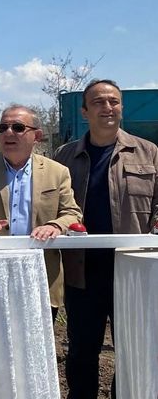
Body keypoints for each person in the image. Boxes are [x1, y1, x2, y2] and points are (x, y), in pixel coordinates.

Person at [54, 79, 158, 399]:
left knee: (131, 348)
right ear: (85, 111)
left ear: (121, 108)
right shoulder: (64, 156)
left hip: (132, 271)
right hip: (81, 271)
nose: (107, 107)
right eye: (98, 102)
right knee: (81, 350)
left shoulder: (148, 152)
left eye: (113, 101)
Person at [0, 104, 82, 320]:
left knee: (38, 339)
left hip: (40, 273)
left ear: (36, 136)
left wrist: (55, 226)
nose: (8, 133)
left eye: (18, 127)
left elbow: (72, 212)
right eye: (3, 127)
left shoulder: (57, 172)